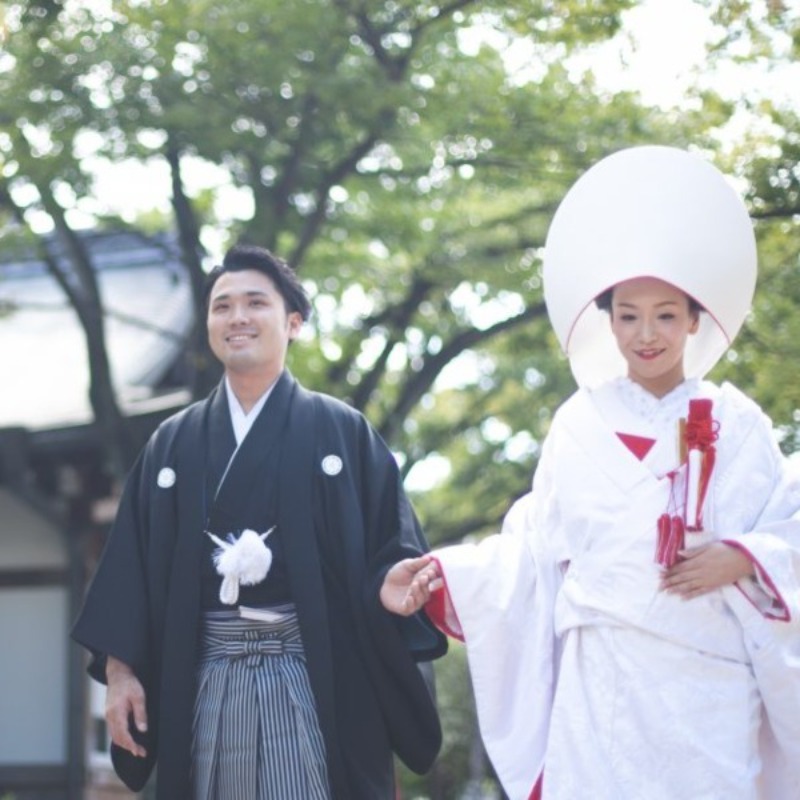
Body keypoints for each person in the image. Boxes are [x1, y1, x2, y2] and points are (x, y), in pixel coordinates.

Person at [381, 146, 800, 800]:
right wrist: (448, 573)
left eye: (665, 315)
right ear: (606, 321)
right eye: (628, 315)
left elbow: (788, 528)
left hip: (708, 686)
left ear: (695, 318)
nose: (647, 334)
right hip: (600, 685)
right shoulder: (577, 424)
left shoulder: (736, 421)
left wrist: (743, 558)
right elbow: (534, 555)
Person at [72, 243, 447, 800]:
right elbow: (133, 568)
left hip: (314, 677)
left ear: (293, 322)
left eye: (256, 303)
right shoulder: (173, 444)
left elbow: (388, 553)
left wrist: (386, 585)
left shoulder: (343, 432)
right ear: (208, 325)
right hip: (204, 679)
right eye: (222, 307)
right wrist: (122, 674)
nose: (238, 318)